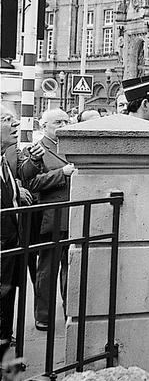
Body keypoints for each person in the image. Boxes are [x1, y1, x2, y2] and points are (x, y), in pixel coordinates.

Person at [19, 109, 75, 331]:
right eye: (57, 122)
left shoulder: (71, 144)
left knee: (71, 266)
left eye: (66, 120)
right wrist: (63, 173)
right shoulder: (36, 149)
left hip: (73, 214)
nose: (63, 124)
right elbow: (30, 183)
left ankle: (70, 310)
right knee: (47, 268)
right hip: (51, 216)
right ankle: (44, 315)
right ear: (44, 126)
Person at [1, 105, 31, 348]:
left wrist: (16, 191)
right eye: (6, 120)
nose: (15, 125)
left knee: (8, 293)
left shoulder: (5, 160)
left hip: (10, 243)